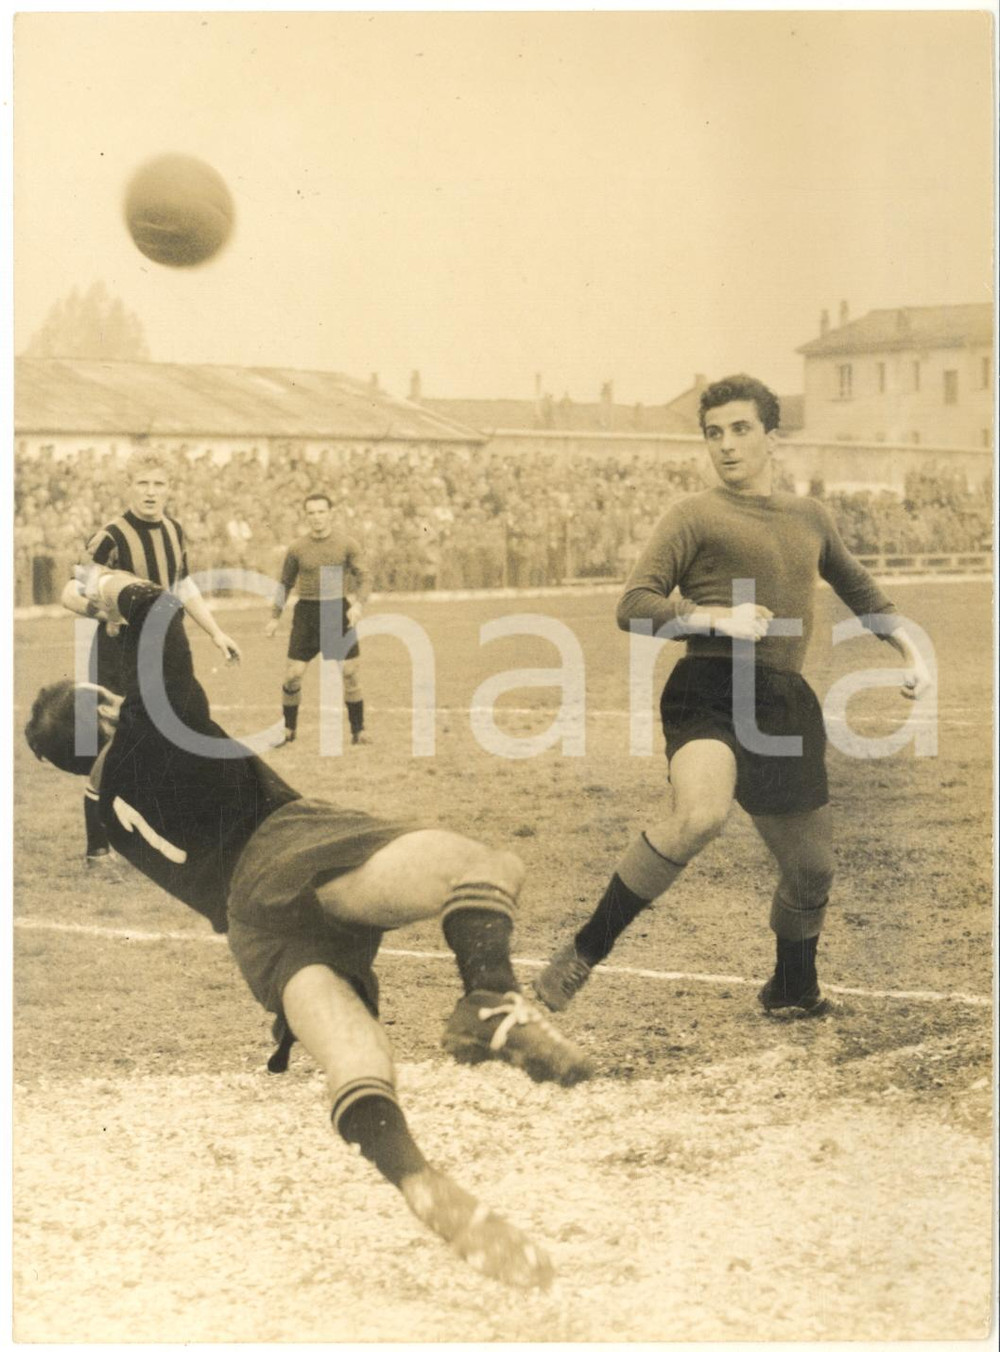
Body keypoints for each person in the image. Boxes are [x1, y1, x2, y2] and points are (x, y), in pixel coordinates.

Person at [26, 566, 591, 1289]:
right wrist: (104, 589)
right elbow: (161, 610)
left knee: (356, 1058)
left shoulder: (106, 808)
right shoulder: (150, 731)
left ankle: (415, 1178)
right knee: (482, 866)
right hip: (285, 848)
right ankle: (491, 998)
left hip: (251, 930)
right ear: (107, 710)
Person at [534, 373, 932, 1020]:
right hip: (709, 687)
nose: (726, 445)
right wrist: (712, 617)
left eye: (741, 429)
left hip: (781, 701)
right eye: (713, 433)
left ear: (773, 436)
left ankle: (792, 987)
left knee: (812, 870)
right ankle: (582, 952)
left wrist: (911, 652)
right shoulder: (693, 514)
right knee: (700, 814)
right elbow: (633, 604)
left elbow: (862, 591)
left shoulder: (811, 517)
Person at [64, 449, 242, 867]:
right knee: (119, 741)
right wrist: (107, 613)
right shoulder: (110, 536)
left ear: (170, 488)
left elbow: (183, 587)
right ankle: (97, 845)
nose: (150, 492)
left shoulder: (175, 530)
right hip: (120, 651)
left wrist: (216, 632)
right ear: (128, 487)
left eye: (159, 483)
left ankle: (174, 829)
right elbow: (72, 591)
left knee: (181, 728)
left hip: (169, 646)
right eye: (142, 483)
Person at [265, 493, 369, 747]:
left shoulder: (346, 544)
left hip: (337, 610)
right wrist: (274, 617)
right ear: (306, 516)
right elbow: (285, 583)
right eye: (311, 513)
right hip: (307, 613)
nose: (316, 517)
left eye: (321, 512)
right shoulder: (297, 548)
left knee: (350, 673)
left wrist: (358, 604)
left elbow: (364, 577)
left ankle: (359, 731)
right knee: (293, 675)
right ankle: (288, 730)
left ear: (331, 513)